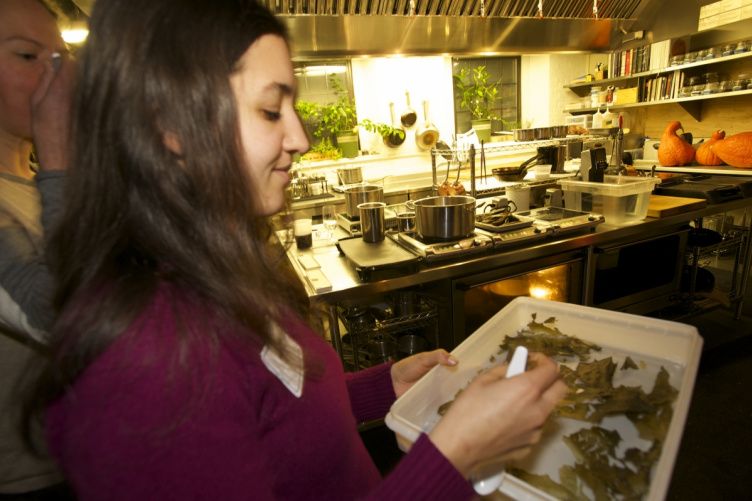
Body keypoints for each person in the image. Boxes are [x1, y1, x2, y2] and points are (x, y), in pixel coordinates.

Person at [36, 1, 567, 500]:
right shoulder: (145, 364)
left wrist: (380, 387)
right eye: (271, 110)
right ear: (168, 125)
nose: (301, 137)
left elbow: (265, 400)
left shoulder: (209, 265)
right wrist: (456, 457)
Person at [0, 0, 76, 498]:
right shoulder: (52, 176)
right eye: (29, 57)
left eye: (59, 61)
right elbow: (64, 316)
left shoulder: (36, 184)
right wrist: (57, 152)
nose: (56, 78)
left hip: (86, 454)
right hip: (32, 479)